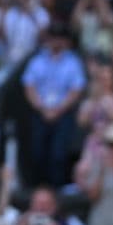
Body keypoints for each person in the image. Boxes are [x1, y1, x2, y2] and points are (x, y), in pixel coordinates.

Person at [21, 22, 86, 188]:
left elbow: (76, 90)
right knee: (37, 152)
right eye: (53, 37)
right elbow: (29, 87)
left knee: (58, 154)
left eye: (60, 38)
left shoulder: (73, 62)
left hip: (63, 113)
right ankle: (38, 189)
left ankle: (57, 190)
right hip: (40, 112)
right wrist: (43, 109)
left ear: (65, 41)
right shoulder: (37, 60)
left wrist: (58, 110)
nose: (56, 41)